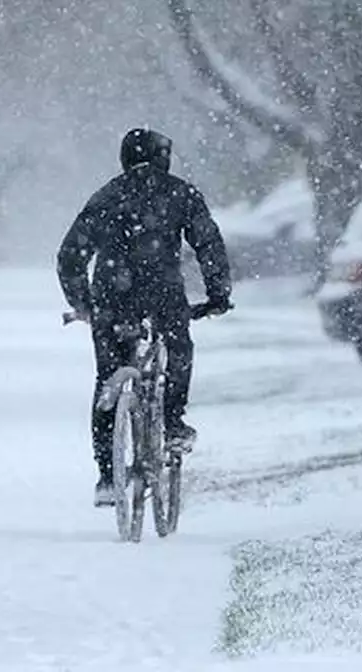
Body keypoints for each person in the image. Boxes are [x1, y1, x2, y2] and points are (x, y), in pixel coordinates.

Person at [56, 127, 233, 507]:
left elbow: (70, 255)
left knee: (107, 380)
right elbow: (208, 244)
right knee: (178, 348)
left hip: (111, 297)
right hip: (162, 294)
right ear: (164, 157)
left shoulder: (107, 196)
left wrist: (83, 302)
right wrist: (218, 294)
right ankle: (172, 423)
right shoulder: (180, 193)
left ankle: (107, 477)